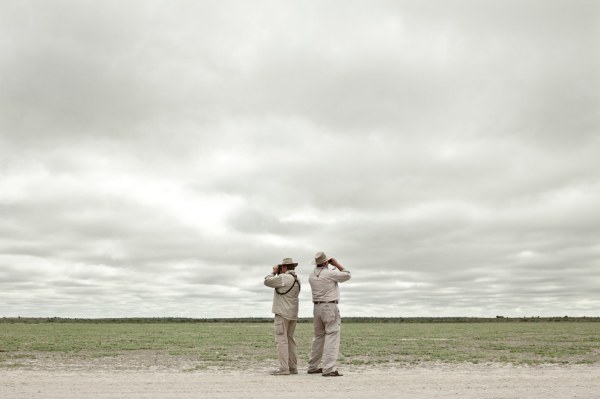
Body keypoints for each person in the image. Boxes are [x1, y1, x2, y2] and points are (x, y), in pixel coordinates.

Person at [307, 251, 351, 377]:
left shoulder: (311, 275)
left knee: (318, 338)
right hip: (330, 306)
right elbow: (347, 275)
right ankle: (328, 369)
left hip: (316, 307)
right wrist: (337, 264)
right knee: (332, 336)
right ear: (326, 262)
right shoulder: (330, 273)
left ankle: (313, 366)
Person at [264, 257, 301, 375]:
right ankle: (293, 367)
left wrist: (274, 272)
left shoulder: (284, 278)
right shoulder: (297, 279)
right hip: (293, 314)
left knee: (281, 341)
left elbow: (267, 281)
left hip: (282, 313)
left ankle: (284, 368)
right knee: (290, 340)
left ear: (284, 267)